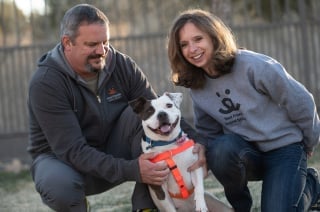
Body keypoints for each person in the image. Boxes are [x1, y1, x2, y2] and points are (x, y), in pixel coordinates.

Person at [27, 4, 207, 212]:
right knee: (60, 186)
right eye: (92, 44)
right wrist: (133, 169)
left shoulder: (122, 65)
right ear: (67, 43)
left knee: (145, 117)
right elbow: (72, 150)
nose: (102, 51)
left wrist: (197, 143)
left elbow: (159, 112)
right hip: (65, 162)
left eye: (105, 42)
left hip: (114, 146)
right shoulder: (46, 83)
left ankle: (145, 207)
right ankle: (76, 205)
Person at [167, 8, 320, 212]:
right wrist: (202, 148)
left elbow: (301, 100)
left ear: (213, 36)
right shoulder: (197, 85)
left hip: (285, 149)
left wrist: (309, 141)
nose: (192, 49)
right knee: (220, 149)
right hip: (247, 154)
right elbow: (209, 134)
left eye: (198, 39)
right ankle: (241, 207)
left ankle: (311, 184)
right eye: (184, 44)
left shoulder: (253, 65)